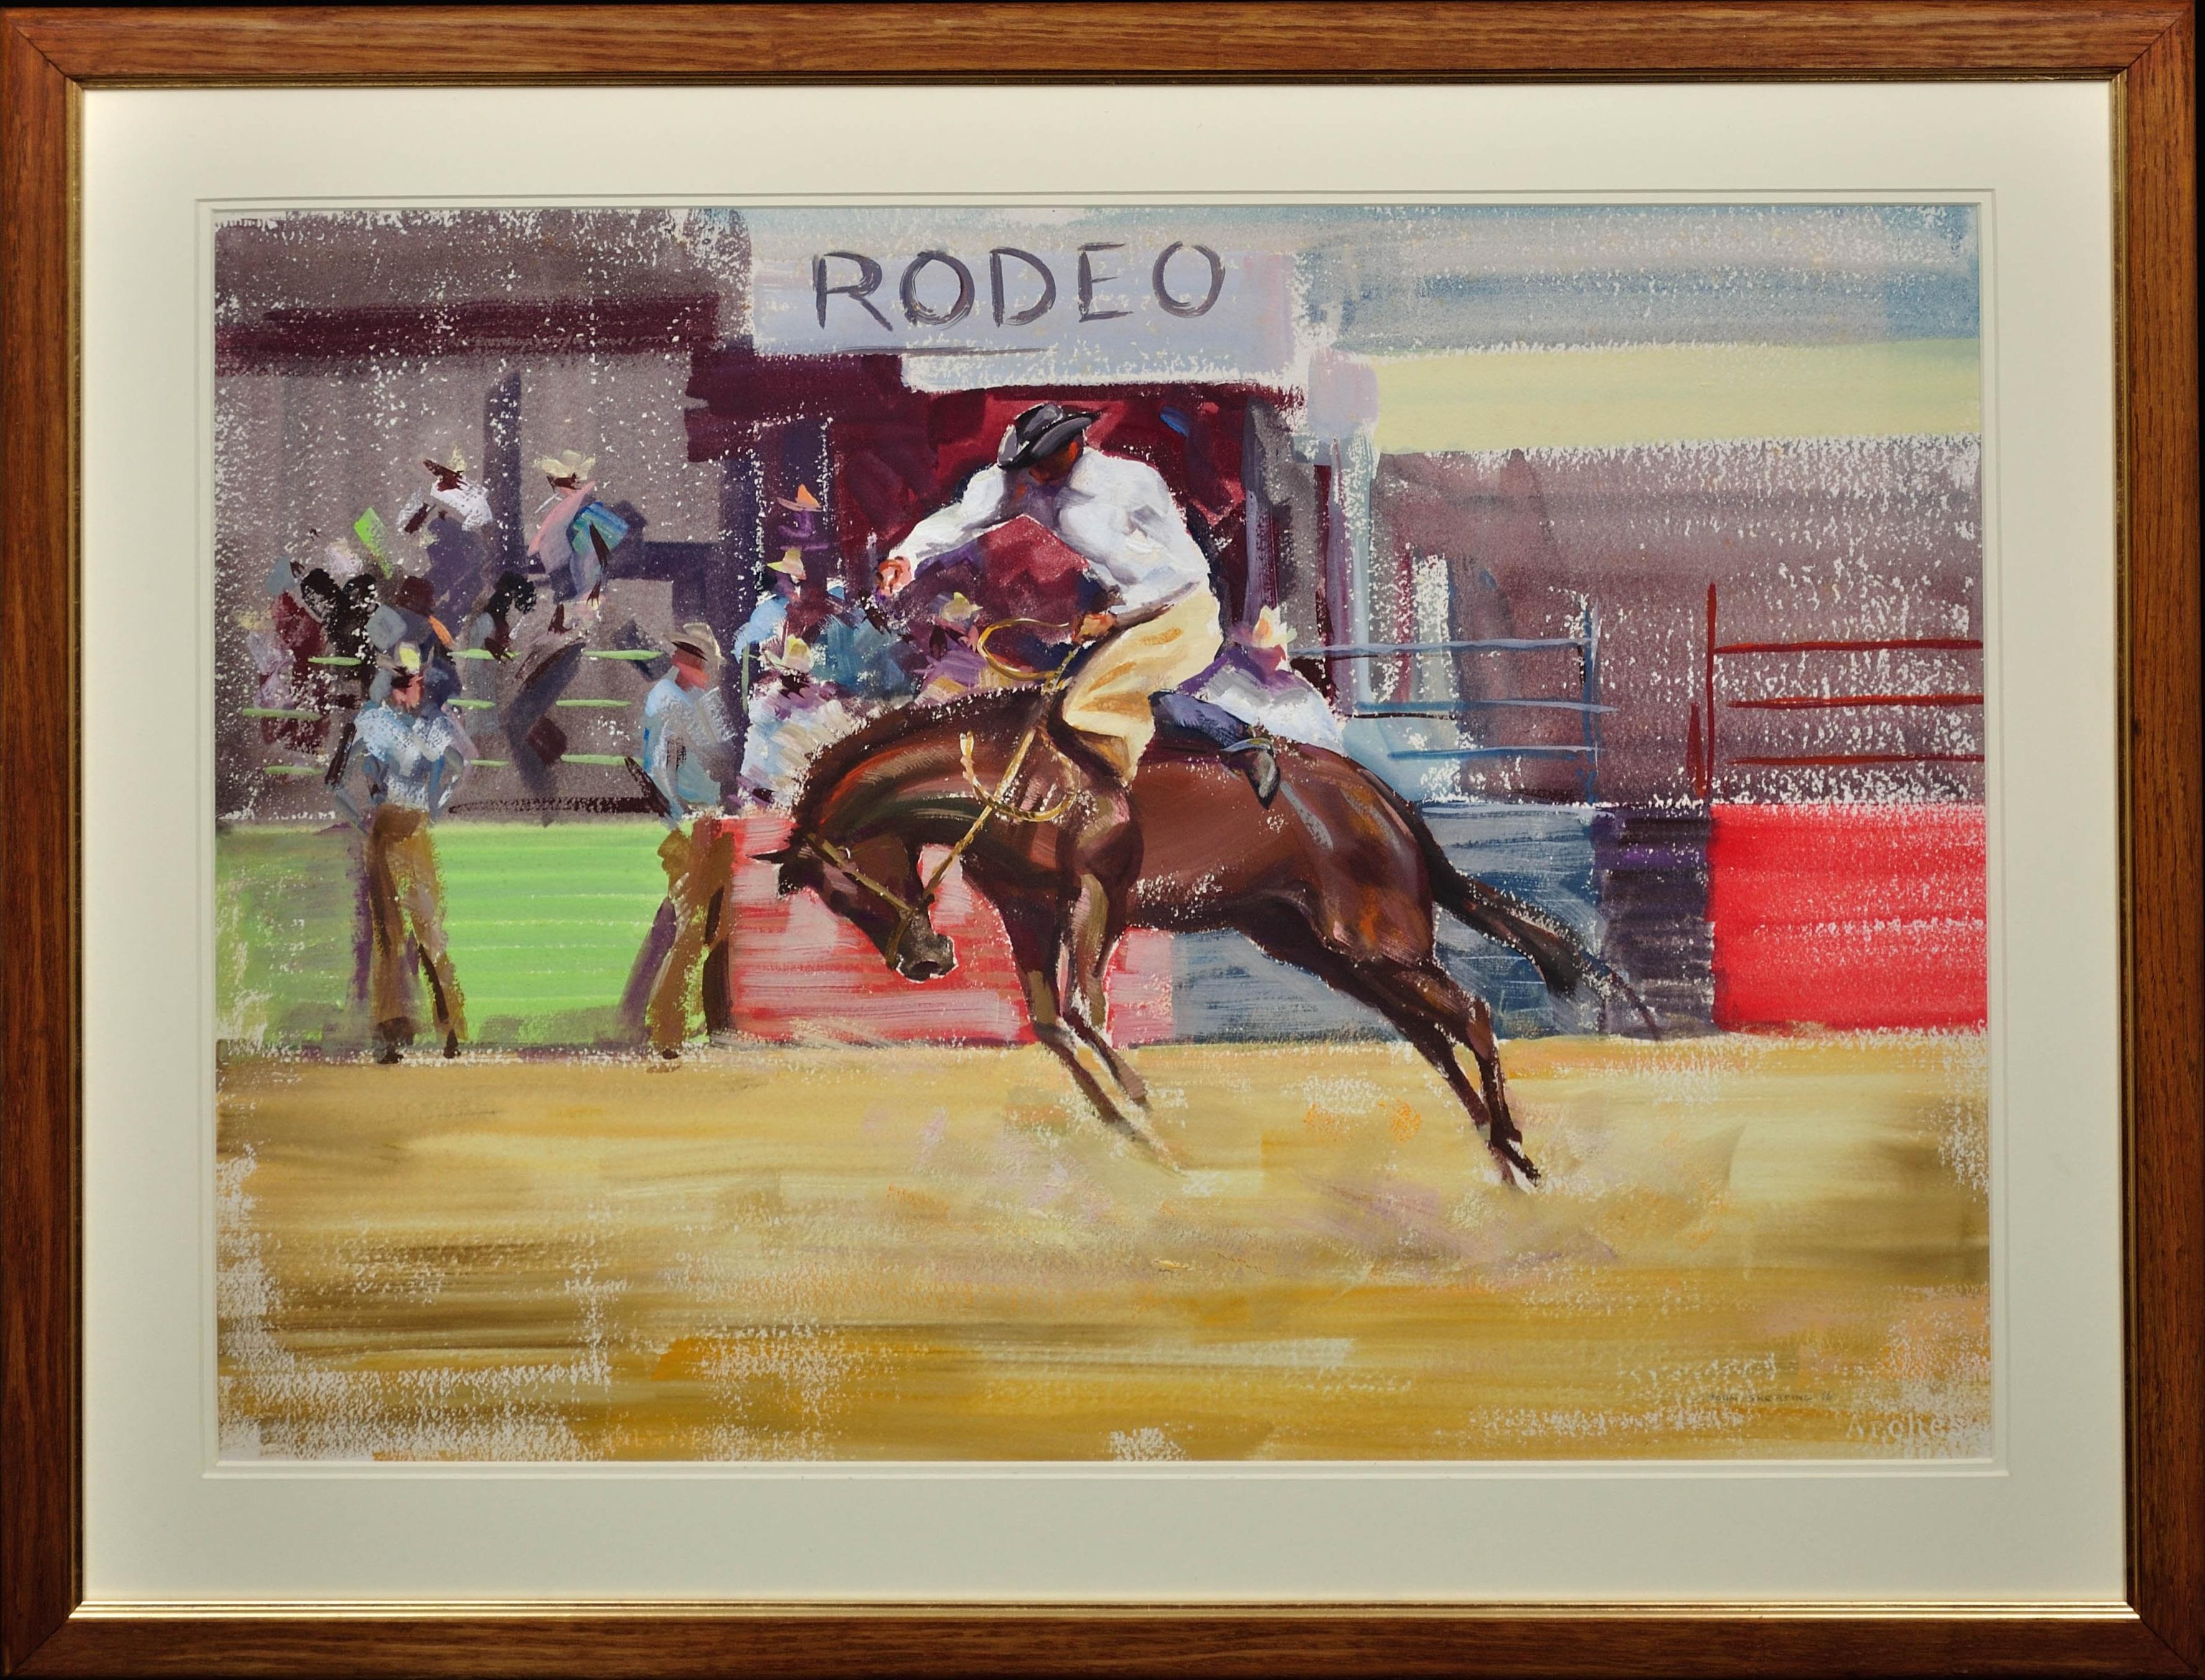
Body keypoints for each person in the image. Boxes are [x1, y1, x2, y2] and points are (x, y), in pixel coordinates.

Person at [875, 401, 1276, 800]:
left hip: (1182, 612)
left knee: (1086, 706)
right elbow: (963, 517)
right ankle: (1128, 780)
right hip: (1128, 616)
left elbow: (1179, 572)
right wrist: (906, 556)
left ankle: (1229, 743)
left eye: (1042, 461)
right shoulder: (1026, 483)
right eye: (1029, 463)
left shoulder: (1133, 485)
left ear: (1073, 447)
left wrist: (1114, 618)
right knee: (1086, 699)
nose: (1033, 475)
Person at [333, 642, 473, 1063]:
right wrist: (363, 821)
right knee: (391, 934)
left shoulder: (431, 724)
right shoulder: (375, 722)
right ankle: (394, 1032)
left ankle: (449, 1027)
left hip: (414, 830)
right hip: (391, 828)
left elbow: (458, 765)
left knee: (428, 930)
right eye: (408, 682)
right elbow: (337, 781)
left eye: (415, 682)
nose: (413, 690)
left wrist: (437, 802)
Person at [637, 622, 741, 1058]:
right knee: (692, 927)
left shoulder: (700, 699)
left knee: (718, 927)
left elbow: (724, 752)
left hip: (711, 818)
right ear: (684, 661)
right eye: (700, 660)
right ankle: (667, 1027)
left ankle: (715, 1020)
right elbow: (663, 769)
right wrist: (680, 818)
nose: (706, 669)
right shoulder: (667, 701)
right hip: (690, 822)